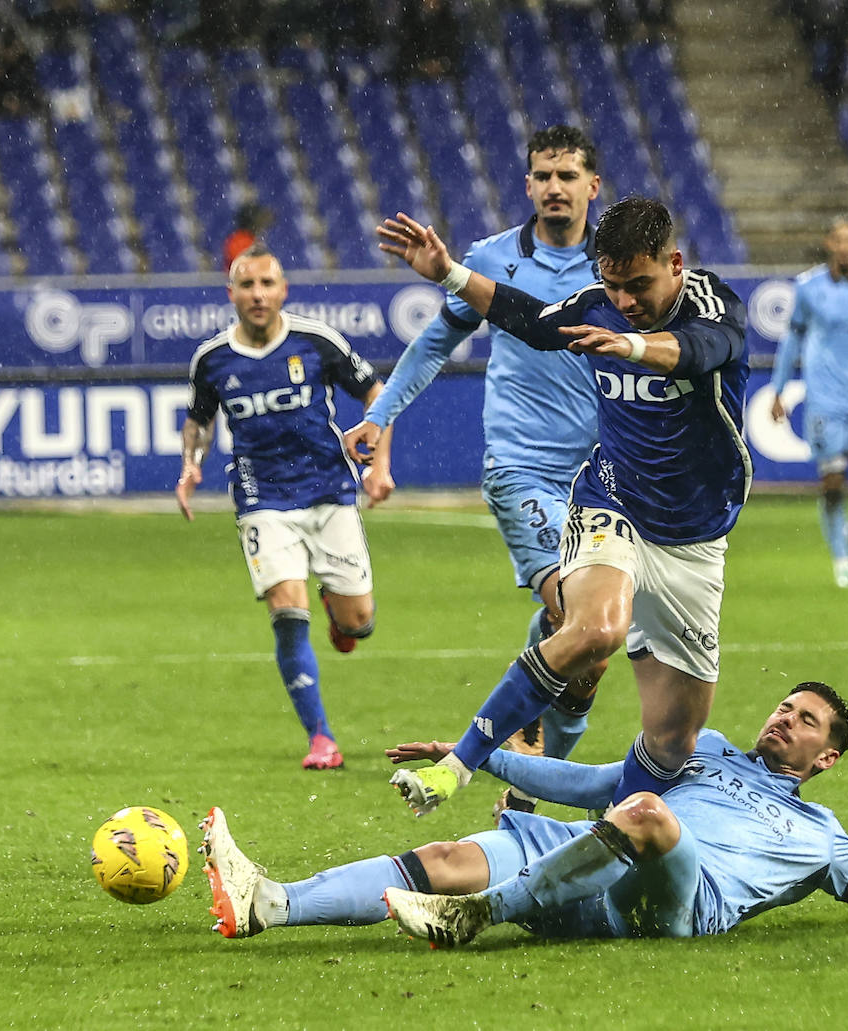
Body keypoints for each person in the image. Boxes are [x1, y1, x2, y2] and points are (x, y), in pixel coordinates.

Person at [368, 196, 750, 816]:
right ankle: (458, 766)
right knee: (596, 630)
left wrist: (629, 346)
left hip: (695, 536)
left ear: (674, 262)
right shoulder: (598, 304)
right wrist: (449, 274)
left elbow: (705, 349)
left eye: (638, 285)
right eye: (613, 286)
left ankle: (569, 827)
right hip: (613, 501)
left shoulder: (711, 301)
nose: (624, 302)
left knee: (672, 744)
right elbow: (535, 320)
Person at [197, 683, 848, 944]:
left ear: (828, 757)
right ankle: (271, 901)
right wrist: (472, 757)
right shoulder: (707, 747)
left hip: (674, 904)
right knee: (443, 851)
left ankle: (481, 918)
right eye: (784, 707)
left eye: (805, 721)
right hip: (591, 856)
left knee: (655, 815)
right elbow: (592, 787)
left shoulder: (824, 840)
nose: (784, 719)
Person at [343, 125, 605, 818]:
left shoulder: (615, 264)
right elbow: (436, 342)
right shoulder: (491, 260)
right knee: (574, 615)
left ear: (591, 187)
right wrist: (382, 415)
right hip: (522, 467)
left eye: (567, 175)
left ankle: (528, 769)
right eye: (543, 176)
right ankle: (502, 767)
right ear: (527, 186)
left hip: (604, 479)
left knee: (592, 652)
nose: (554, 187)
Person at [176, 244, 394, 770]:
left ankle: (340, 615)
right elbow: (200, 419)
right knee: (286, 608)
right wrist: (191, 464)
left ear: (282, 290)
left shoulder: (316, 342)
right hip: (262, 498)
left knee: (359, 621)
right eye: (246, 285)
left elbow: (376, 391)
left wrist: (380, 465)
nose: (257, 295)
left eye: (266, 284)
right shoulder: (212, 360)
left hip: (328, 492)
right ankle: (321, 738)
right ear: (231, 294)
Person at [770, 217, 848, 589]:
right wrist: (778, 389)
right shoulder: (809, 287)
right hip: (824, 400)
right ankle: (840, 558)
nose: (846, 247)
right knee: (833, 484)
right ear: (829, 243)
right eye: (840, 240)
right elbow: (793, 339)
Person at [222, 202, 272, 274]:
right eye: (259, 218)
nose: (262, 223)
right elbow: (242, 267)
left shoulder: (251, 238)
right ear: (251, 221)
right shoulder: (240, 241)